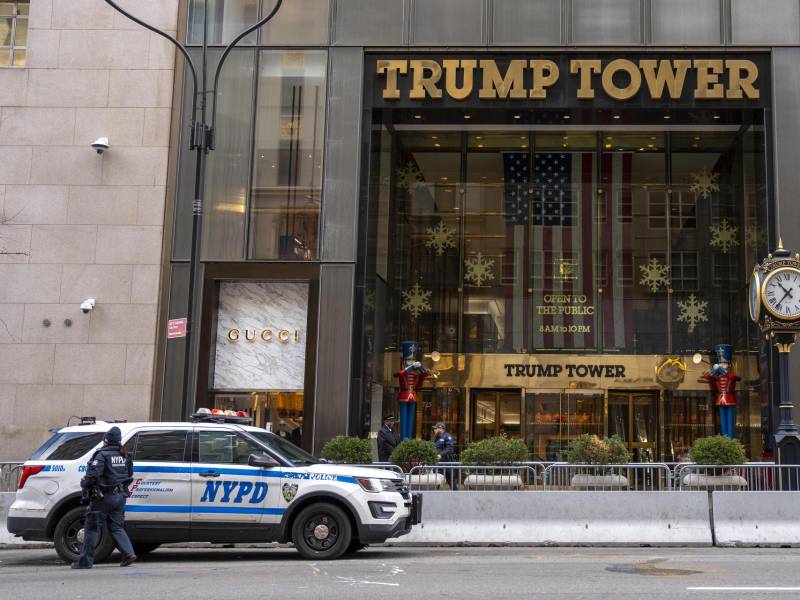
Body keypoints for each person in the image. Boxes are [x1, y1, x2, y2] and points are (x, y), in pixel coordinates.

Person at [72, 426, 137, 569]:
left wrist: (85, 483)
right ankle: (128, 554)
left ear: (106, 440)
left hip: (104, 497)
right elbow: (129, 475)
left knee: (92, 527)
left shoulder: (102, 455)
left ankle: (85, 562)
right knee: (116, 527)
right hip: (120, 497)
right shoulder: (124, 455)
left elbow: (93, 474)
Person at [432, 422, 457, 490]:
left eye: (435, 428)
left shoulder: (447, 436)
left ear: (441, 428)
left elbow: (450, 448)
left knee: (451, 482)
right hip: (437, 464)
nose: (434, 430)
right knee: (435, 482)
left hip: (447, 463)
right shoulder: (435, 438)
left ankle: (457, 496)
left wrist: (441, 454)